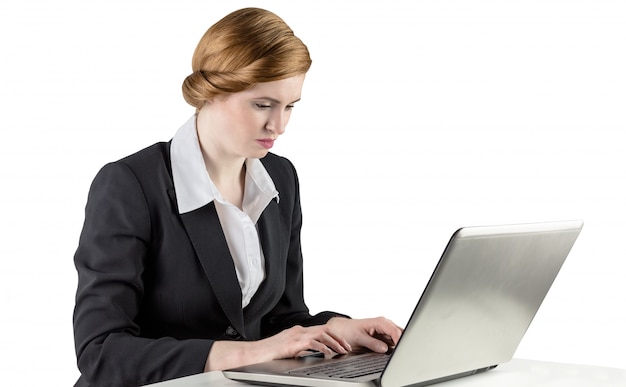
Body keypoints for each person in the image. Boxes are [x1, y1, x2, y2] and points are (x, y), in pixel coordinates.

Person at [72, 7, 402, 387]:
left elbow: (279, 318)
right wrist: (255, 353)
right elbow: (100, 351)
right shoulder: (130, 185)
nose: (278, 125)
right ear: (213, 92)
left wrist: (337, 328)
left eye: (290, 106)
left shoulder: (280, 177)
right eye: (263, 104)